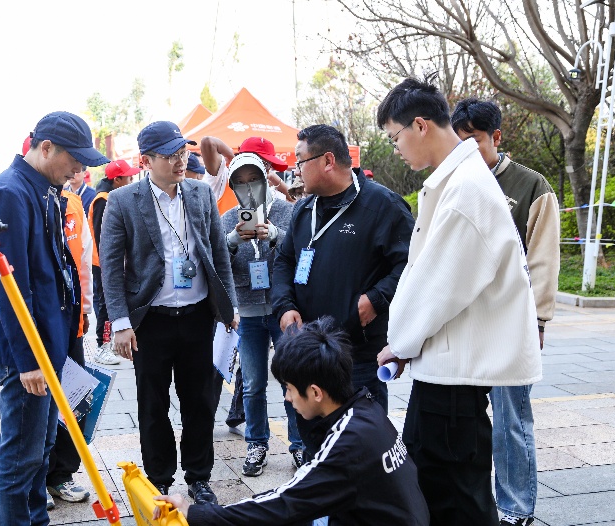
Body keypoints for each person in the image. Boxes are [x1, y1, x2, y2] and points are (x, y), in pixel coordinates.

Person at [375, 78, 542, 526]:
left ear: (420, 125)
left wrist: (399, 342)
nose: (396, 148)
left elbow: (437, 285)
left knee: (455, 499)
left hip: (454, 376)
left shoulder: (466, 189)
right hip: (449, 368)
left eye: (394, 137)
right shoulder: (462, 181)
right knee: (444, 493)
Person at [153, 317, 430, 526]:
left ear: (316, 392)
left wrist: (196, 514)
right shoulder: (367, 409)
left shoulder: (348, 444)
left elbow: (283, 503)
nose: (287, 398)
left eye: (289, 388)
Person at [0, 111, 108, 526]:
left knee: (40, 449)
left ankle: (37, 519)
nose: (79, 170)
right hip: (29, 354)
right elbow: (7, 287)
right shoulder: (9, 194)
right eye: (75, 159)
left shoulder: (45, 190)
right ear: (46, 148)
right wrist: (29, 360)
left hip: (50, 345)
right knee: (21, 459)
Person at [100, 121, 238, 504]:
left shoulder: (199, 193)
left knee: (200, 401)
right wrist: (121, 323)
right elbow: (111, 268)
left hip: (198, 317)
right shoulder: (123, 201)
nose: (181, 162)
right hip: (151, 321)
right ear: (146, 161)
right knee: (153, 403)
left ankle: (199, 477)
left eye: (182, 153)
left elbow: (218, 254)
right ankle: (159, 479)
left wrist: (228, 306)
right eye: (170, 156)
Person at [452, 97, 560, 526]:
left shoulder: (531, 185)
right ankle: (475, 500)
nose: (466, 150)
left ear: (496, 137)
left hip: (511, 322)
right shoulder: (455, 182)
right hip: (464, 321)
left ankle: (516, 507)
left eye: (475, 140)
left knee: (510, 419)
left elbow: (543, 260)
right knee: (464, 416)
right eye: (459, 142)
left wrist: (538, 320)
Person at [271, 124, 414, 423]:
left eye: (300, 160)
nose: (296, 170)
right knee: (314, 440)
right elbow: (284, 261)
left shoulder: (382, 206)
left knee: (359, 438)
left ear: (327, 161)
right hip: (309, 352)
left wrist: (375, 299)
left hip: (356, 355)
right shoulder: (304, 209)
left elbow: (411, 264)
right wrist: (285, 306)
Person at [222, 152, 304, 475]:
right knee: (253, 382)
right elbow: (219, 265)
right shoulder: (228, 219)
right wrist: (231, 241)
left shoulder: (287, 211)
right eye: (240, 182)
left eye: (253, 179)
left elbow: (301, 252)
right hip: (248, 311)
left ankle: (299, 443)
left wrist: (275, 236)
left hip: (284, 308)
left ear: (265, 179)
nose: (248, 187)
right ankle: (256, 443)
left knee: (291, 378)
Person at [46, 182, 95, 508]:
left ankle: (62, 474)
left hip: (72, 319)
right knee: (36, 403)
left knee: (74, 399)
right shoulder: (23, 198)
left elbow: (84, 259)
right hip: (39, 322)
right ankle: (34, 478)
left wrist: (86, 308)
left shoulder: (74, 203)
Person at [87, 159, 136, 363]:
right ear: (117, 180)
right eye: (128, 178)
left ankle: (110, 343)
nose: (131, 181)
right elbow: (103, 238)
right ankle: (103, 345)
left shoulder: (110, 197)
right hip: (103, 263)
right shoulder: (103, 200)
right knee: (106, 304)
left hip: (107, 261)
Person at [201, 136, 292, 215]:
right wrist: (234, 159)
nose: (265, 168)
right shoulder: (224, 178)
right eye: (258, 162)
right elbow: (208, 142)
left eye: (268, 164)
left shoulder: (270, 192)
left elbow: (293, 202)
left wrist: (273, 178)